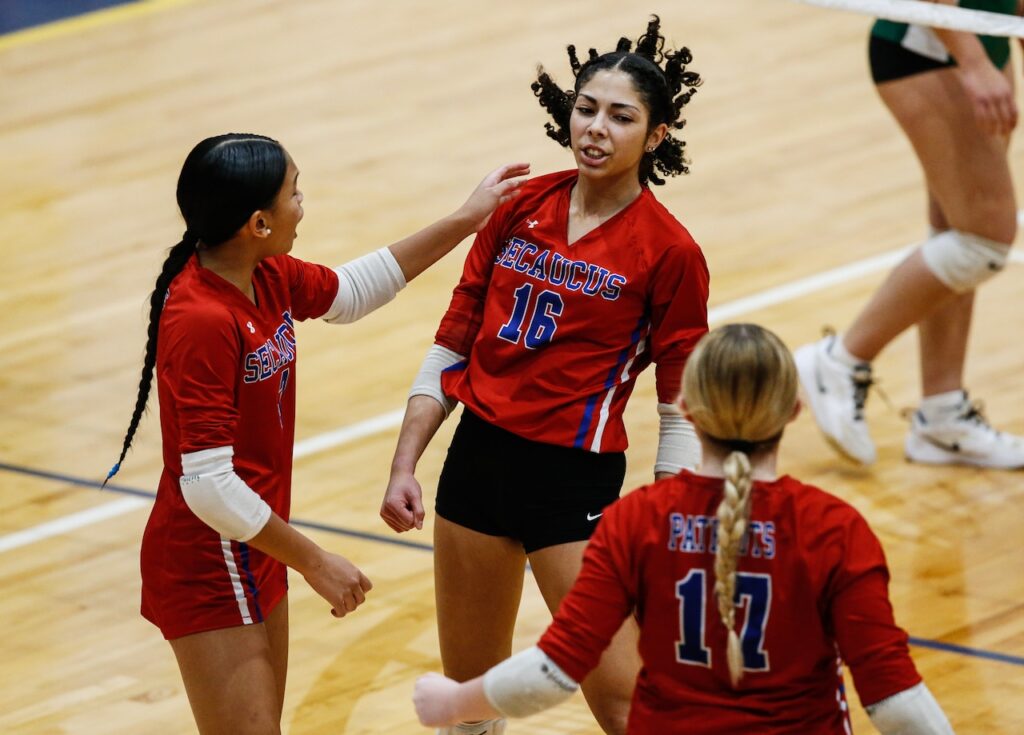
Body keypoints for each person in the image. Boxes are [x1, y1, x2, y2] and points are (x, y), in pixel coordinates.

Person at [104, 133, 528, 734]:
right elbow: (207, 484)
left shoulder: (264, 273)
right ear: (257, 223)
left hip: (255, 541)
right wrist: (315, 561)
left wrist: (465, 220)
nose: (302, 206)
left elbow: (352, 293)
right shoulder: (201, 318)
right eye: (294, 194)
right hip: (209, 559)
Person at [380, 17, 709, 735]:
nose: (596, 128)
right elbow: (452, 343)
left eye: (621, 116)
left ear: (656, 136)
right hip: (476, 463)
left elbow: (681, 403)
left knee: (625, 706)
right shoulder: (518, 207)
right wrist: (406, 462)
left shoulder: (670, 251)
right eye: (586, 108)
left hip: (572, 485)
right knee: (467, 705)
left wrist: (673, 519)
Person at [411, 323, 956, 735]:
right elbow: (895, 701)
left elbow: (555, 669)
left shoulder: (638, 521)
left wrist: (455, 703)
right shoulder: (834, 529)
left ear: (688, 410)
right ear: (793, 411)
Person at [794, 0, 1024, 469]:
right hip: (934, 49)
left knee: (958, 230)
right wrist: (974, 64)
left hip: (985, 40)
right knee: (983, 242)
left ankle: (942, 417)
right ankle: (839, 361)